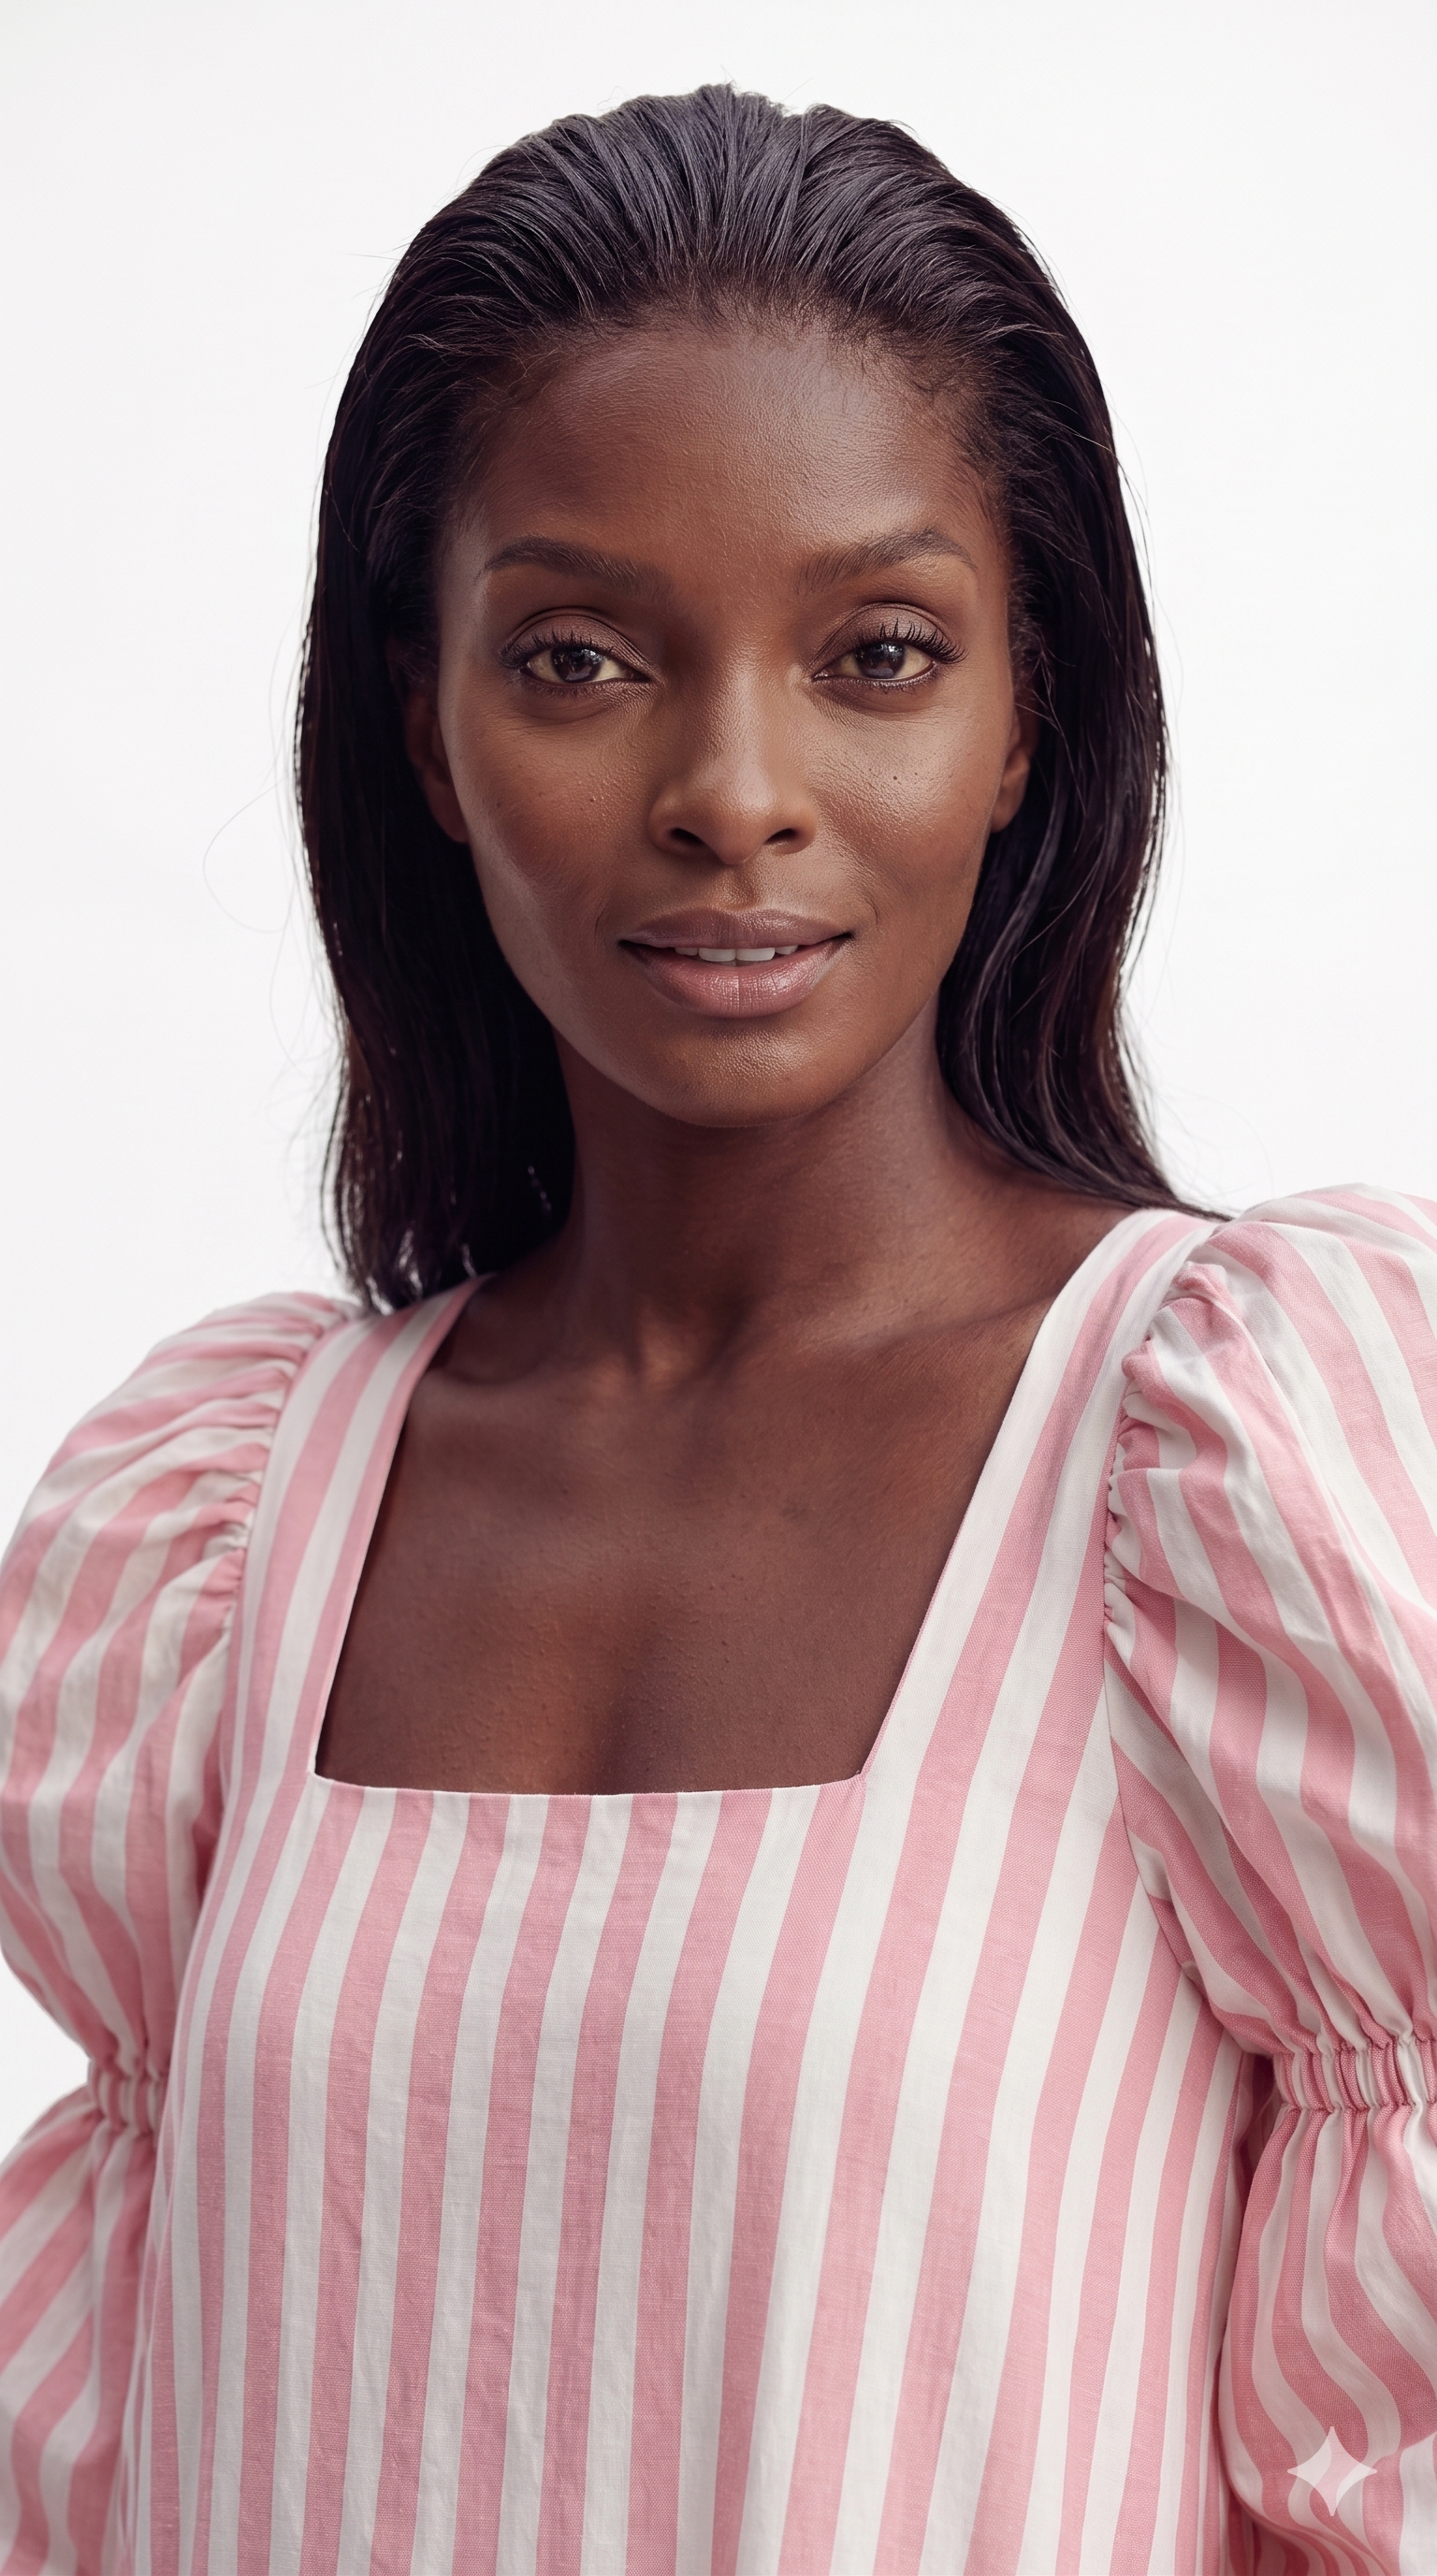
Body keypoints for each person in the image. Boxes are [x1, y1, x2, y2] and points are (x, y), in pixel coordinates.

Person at [1, 80, 1433, 2576]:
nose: (734, 791)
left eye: (877, 653)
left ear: (1027, 715)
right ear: (427, 726)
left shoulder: (1241, 1486)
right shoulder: (227, 1533)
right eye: (579, 658)